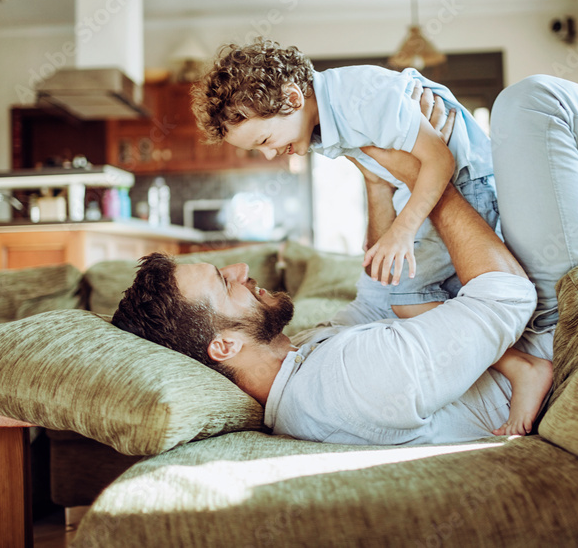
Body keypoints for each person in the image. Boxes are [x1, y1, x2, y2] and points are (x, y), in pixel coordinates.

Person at [112, 74, 578, 443]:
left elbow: (387, 291)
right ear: (224, 347)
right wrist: (428, 170)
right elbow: (506, 297)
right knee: (531, 104)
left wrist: (381, 180)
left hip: (528, 315)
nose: (236, 269)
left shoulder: (307, 362)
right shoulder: (340, 383)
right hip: (557, 325)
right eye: (220, 282)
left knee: (502, 171)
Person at [191, 38, 555, 432]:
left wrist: (402, 228)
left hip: (470, 182)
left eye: (263, 141)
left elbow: (439, 159)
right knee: (409, 296)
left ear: (294, 97)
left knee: (410, 297)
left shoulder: (355, 103)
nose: (268, 155)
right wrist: (389, 198)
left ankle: (523, 367)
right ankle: (522, 367)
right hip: (450, 197)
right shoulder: (330, 387)